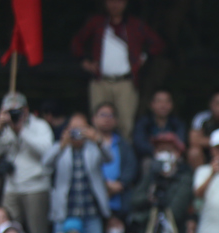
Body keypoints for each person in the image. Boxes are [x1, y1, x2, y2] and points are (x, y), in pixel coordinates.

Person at [71, 0, 165, 139]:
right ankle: (98, 155)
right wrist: (84, 62)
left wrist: (144, 57)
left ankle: (122, 158)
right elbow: (76, 42)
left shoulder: (135, 24)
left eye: (119, 2)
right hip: (100, 81)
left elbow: (157, 43)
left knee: (125, 125)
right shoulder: (97, 22)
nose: (115, 5)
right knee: (99, 123)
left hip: (125, 82)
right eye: (111, 1)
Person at [0, 92, 54, 233]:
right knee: (8, 232)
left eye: (17, 110)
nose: (13, 114)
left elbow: (46, 151)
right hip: (12, 188)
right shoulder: (4, 128)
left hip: (35, 187)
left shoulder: (39, 126)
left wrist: (21, 130)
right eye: (9, 110)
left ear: (26, 109)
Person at [43, 112, 112, 233]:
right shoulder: (61, 147)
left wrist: (98, 140)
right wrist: (62, 144)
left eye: (82, 129)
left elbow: (109, 158)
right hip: (66, 212)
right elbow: (45, 163)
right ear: (67, 129)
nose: (78, 133)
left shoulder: (94, 147)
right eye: (74, 129)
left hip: (91, 212)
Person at [129, 131, 191, 233]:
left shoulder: (184, 177)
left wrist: (162, 192)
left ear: (178, 153)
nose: (164, 154)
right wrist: (150, 196)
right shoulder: (150, 176)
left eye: (169, 150)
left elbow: (177, 209)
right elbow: (135, 200)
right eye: (161, 150)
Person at [93, 102, 137, 221]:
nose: (107, 119)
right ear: (94, 119)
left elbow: (131, 167)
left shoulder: (124, 144)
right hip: (93, 202)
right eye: (103, 115)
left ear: (116, 120)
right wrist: (103, 185)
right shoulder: (88, 145)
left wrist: (120, 184)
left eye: (110, 115)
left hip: (120, 199)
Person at [131, 89, 187, 168]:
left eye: (167, 101)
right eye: (159, 101)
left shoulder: (177, 123)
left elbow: (181, 141)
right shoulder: (143, 123)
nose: (163, 105)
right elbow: (139, 143)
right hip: (150, 156)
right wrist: (154, 150)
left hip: (173, 155)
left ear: (172, 105)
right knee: (147, 164)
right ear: (151, 104)